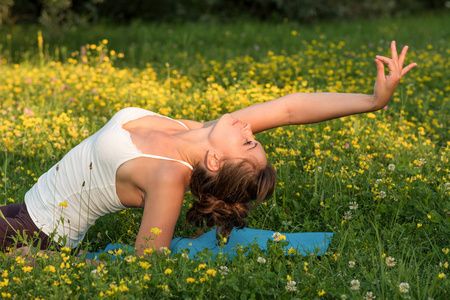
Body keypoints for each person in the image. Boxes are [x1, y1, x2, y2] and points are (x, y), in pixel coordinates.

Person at [0, 41, 416, 256]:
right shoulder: (198, 131)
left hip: (39, 234)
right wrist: (373, 102)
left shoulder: (169, 176)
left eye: (248, 142)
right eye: (254, 139)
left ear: (215, 160)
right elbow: (290, 107)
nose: (250, 129)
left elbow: (150, 257)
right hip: (28, 207)